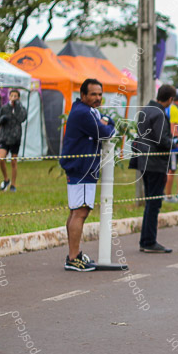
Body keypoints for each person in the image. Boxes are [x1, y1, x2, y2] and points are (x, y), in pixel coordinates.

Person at [58, 78, 115, 271]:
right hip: (81, 168)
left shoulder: (88, 111)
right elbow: (105, 132)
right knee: (80, 211)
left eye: (100, 94)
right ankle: (73, 258)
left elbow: (102, 125)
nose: (98, 98)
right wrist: (109, 123)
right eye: (93, 94)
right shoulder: (83, 112)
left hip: (82, 167)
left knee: (77, 210)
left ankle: (73, 255)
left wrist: (105, 122)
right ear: (83, 95)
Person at [133, 84, 175, 253]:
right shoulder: (159, 114)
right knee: (154, 202)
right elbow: (162, 140)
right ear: (170, 99)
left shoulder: (145, 110)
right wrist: (174, 143)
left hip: (144, 161)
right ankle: (149, 241)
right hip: (156, 163)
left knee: (150, 202)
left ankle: (146, 239)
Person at [0, 89, 27, 192]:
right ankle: (6, 179)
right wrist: (1, 119)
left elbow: (22, 118)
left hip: (15, 138)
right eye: (12, 95)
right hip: (5, 137)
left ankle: (13, 184)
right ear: (9, 97)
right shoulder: (4, 108)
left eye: (15, 96)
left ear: (18, 98)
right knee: (1, 159)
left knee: (14, 162)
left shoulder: (21, 108)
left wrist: (17, 107)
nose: (13, 97)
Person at [164, 89, 178, 203]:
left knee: (165, 169)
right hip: (171, 144)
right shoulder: (175, 110)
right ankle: (168, 196)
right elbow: (174, 130)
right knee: (171, 170)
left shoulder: (166, 107)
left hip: (163, 142)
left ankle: (163, 193)